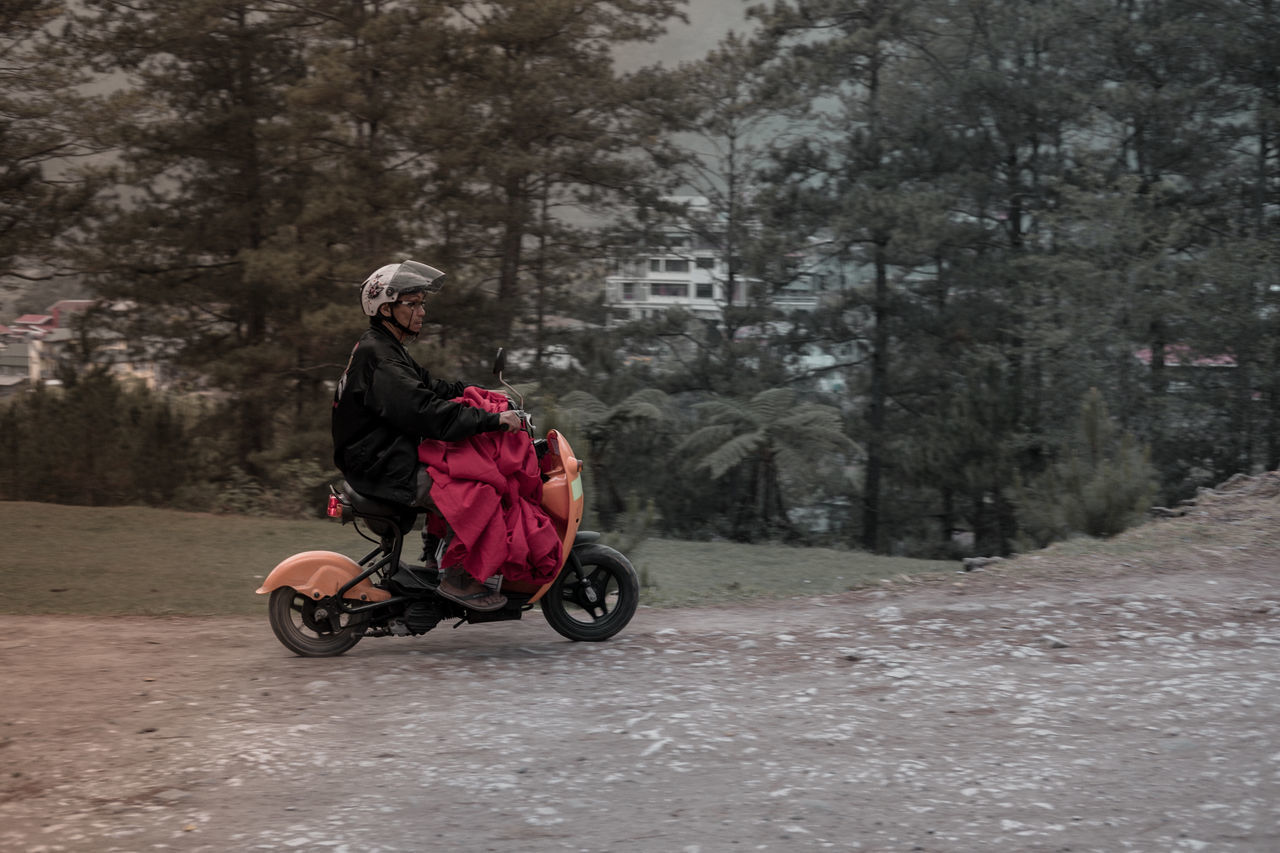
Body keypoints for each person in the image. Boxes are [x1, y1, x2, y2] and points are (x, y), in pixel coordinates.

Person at [331, 259, 522, 611]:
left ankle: (435, 558)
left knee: (462, 471)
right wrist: (491, 422)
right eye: (413, 304)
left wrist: (477, 392)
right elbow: (426, 413)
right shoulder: (382, 359)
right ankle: (458, 579)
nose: (421, 311)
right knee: (476, 490)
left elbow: (433, 387)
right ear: (386, 308)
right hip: (382, 465)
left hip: (383, 455)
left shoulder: (385, 347)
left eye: (422, 303)